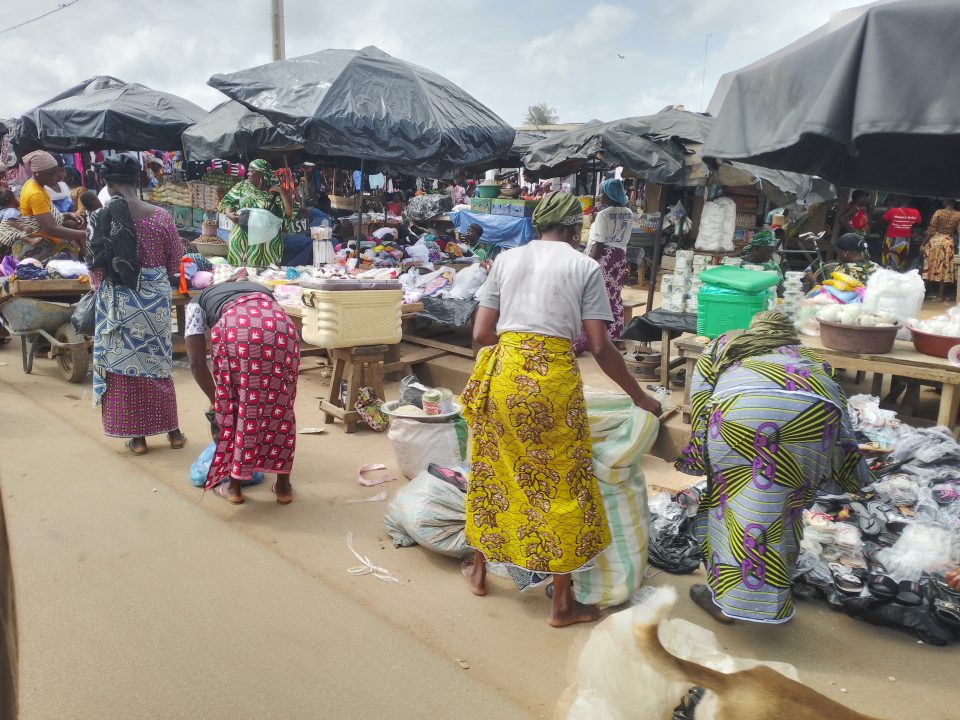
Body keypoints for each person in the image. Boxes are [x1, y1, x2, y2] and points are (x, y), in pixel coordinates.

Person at [460, 191, 662, 627]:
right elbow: (599, 345)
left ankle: (478, 573)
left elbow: (481, 333)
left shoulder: (505, 260)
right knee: (561, 484)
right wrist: (639, 396)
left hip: (504, 374)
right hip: (552, 381)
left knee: (492, 471)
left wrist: (516, 353)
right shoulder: (585, 266)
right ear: (574, 229)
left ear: (536, 225)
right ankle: (561, 605)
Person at [676, 311, 868, 624]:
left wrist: (699, 452)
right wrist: (851, 470)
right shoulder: (810, 357)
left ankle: (726, 603)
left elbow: (700, 399)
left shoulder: (726, 344)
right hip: (814, 425)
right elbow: (840, 409)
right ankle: (771, 599)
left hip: (739, 418)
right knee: (785, 512)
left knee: (730, 510)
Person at [87, 155, 186, 456]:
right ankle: (174, 432)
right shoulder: (161, 217)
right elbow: (174, 261)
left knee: (123, 371)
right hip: (154, 301)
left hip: (117, 301)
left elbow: (95, 270)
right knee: (158, 366)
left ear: (107, 183)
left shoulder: (99, 218)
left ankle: (139, 439)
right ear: (138, 180)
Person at [184, 280, 300, 504]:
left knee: (237, 406)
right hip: (283, 328)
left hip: (238, 329)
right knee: (280, 406)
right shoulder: (260, 289)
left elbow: (196, 363)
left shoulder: (196, 303)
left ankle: (234, 487)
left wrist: (215, 400)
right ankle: (284, 486)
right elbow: (268, 319)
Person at [572, 179, 634, 354]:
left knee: (594, 299)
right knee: (614, 298)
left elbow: (598, 245)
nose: (600, 196)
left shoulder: (604, 215)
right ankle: (615, 337)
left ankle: (590, 339)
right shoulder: (628, 213)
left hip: (603, 259)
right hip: (620, 257)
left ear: (608, 194)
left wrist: (588, 263)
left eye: (602, 193)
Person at [219, 158, 293, 267]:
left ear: (261, 174)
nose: (247, 174)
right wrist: (229, 214)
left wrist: (282, 191)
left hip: (267, 245)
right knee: (240, 275)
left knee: (266, 276)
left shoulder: (275, 192)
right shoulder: (242, 186)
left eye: (251, 171)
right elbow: (227, 202)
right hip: (242, 240)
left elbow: (289, 213)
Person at [16, 151, 86, 260]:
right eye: (51, 174)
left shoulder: (33, 184)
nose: (55, 177)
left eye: (56, 172)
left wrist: (67, 215)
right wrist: (85, 234)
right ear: (37, 173)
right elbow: (51, 229)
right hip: (38, 247)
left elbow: (42, 216)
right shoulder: (36, 193)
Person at [805, 232, 880, 287]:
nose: (838, 255)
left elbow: (831, 296)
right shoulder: (876, 266)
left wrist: (813, 282)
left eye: (838, 252)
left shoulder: (845, 270)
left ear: (846, 252)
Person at [921, 199, 960, 301]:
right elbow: (958, 230)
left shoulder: (939, 212)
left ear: (945, 202)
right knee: (944, 268)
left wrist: (923, 244)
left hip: (935, 242)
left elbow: (931, 230)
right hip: (947, 243)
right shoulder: (958, 215)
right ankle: (940, 296)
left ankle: (923, 294)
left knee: (929, 266)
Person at [880, 197, 921, 271]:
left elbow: (882, 221)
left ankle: (884, 277)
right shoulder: (915, 212)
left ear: (899, 200)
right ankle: (896, 276)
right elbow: (918, 223)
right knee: (898, 263)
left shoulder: (892, 211)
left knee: (886, 262)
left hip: (890, 239)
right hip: (904, 240)